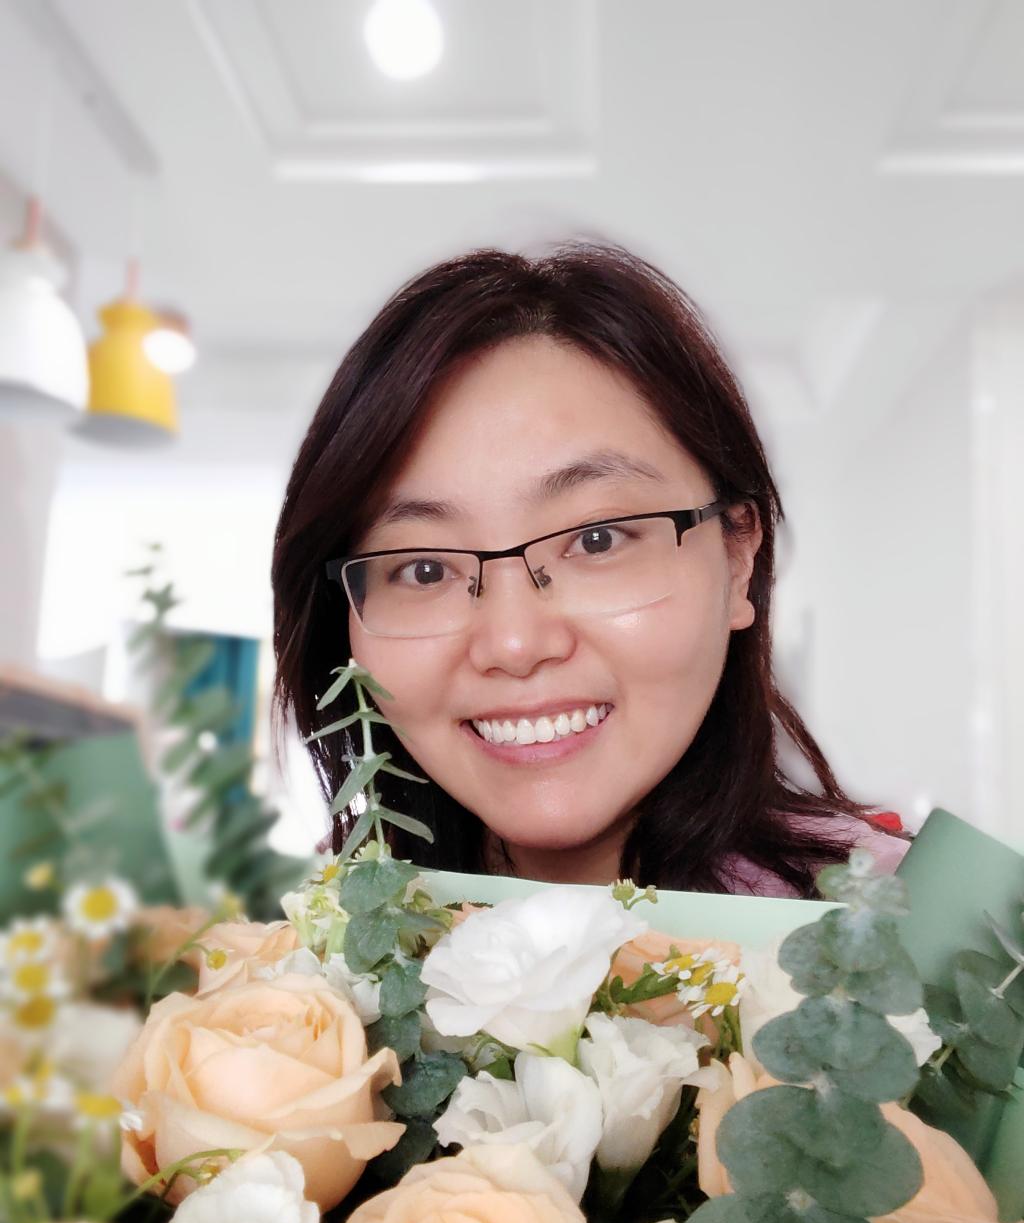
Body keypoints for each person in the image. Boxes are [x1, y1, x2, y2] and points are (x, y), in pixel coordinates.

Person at [271, 241, 910, 898]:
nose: (514, 643)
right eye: (426, 570)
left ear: (737, 556)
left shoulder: (921, 927)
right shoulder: (299, 940)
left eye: (597, 540)